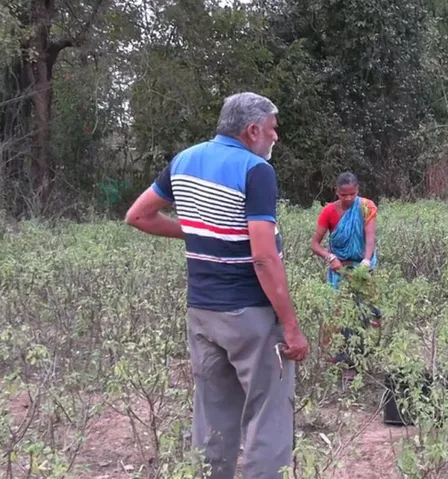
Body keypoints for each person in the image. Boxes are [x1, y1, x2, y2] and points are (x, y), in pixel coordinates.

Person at [124, 92, 309, 479]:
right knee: (268, 417)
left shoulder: (183, 161)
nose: (276, 138)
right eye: (273, 130)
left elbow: (138, 216)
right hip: (249, 315)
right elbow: (262, 256)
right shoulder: (255, 170)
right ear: (253, 129)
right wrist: (290, 324)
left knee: (212, 416)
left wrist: (198, 235)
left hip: (202, 312)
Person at [310, 172, 380, 384]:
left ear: (358, 191)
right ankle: (340, 362)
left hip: (362, 270)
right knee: (339, 317)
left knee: (365, 315)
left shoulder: (366, 207)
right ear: (336, 192)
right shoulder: (329, 211)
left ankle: (360, 361)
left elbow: (370, 238)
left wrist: (366, 262)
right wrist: (330, 257)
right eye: (343, 194)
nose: (348, 198)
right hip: (339, 269)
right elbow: (315, 244)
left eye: (352, 194)